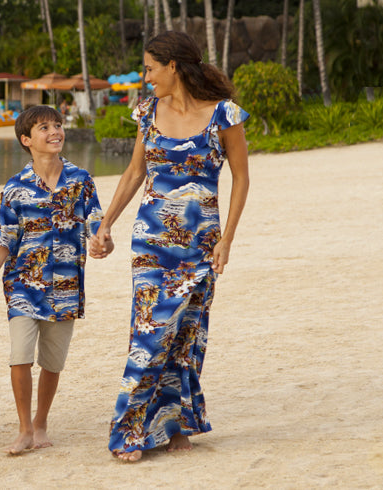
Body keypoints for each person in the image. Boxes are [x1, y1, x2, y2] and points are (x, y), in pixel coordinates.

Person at [89, 31, 250, 462]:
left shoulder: (224, 115)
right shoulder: (147, 113)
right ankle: (130, 430)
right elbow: (132, 174)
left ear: (173, 67)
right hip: (151, 244)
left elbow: (241, 179)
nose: (146, 78)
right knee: (150, 332)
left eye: (149, 69)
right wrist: (105, 225)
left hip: (202, 244)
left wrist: (228, 240)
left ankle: (175, 423)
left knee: (187, 334)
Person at [0, 105, 105, 454]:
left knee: (52, 362)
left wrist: (104, 242)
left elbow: (97, 227)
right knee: (20, 356)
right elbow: (2, 242)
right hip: (23, 287)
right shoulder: (15, 189)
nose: (55, 131)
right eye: (44, 127)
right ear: (27, 140)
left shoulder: (81, 181)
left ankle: (42, 422)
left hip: (66, 286)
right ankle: (25, 428)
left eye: (57, 125)